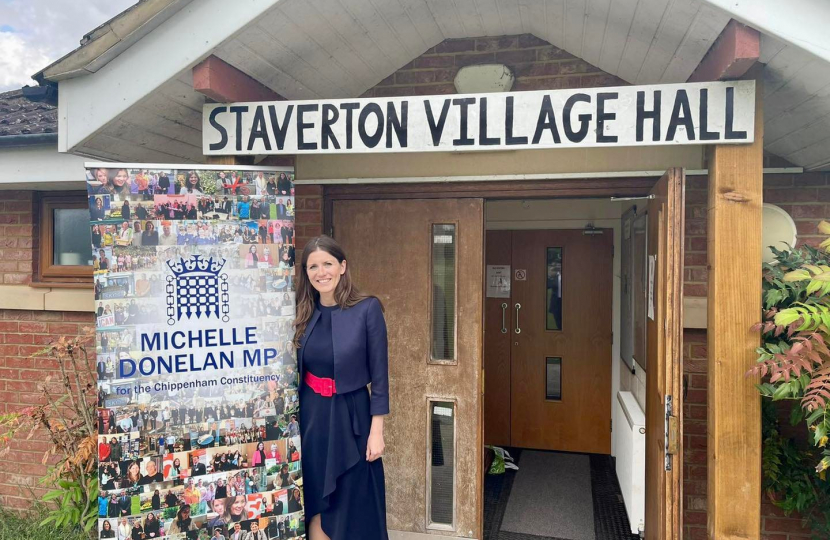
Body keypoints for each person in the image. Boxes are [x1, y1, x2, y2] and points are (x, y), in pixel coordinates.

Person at [293, 235, 389, 540]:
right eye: (313, 267)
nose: (321, 272)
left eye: (328, 264)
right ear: (306, 273)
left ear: (342, 266)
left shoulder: (368, 308)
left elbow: (381, 376)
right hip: (313, 420)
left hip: (353, 419)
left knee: (353, 500)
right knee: (317, 501)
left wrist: (377, 431)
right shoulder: (303, 313)